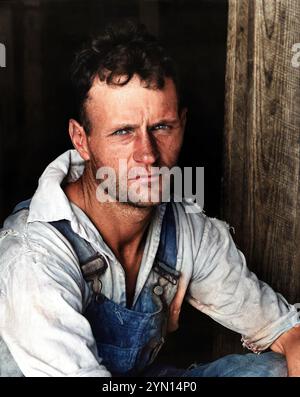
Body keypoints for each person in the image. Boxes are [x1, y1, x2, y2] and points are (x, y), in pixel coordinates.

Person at [0, 20, 299, 378]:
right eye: (123, 132)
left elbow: (283, 329)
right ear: (81, 139)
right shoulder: (34, 256)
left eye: (161, 127)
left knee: (275, 371)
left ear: (182, 125)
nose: (148, 155)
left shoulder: (185, 230)